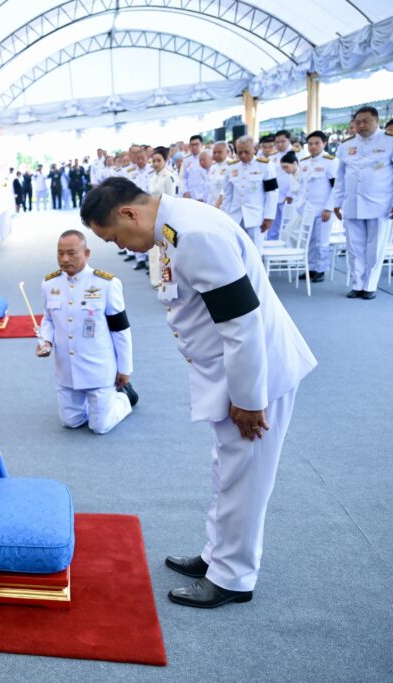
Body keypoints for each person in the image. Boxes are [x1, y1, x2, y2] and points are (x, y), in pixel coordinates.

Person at [80, 177, 317, 608]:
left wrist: (248, 400)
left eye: (115, 236)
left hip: (257, 377)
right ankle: (217, 555)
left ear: (129, 213)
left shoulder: (193, 234)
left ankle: (233, 577)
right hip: (234, 373)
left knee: (246, 477)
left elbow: (242, 324)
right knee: (227, 469)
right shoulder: (174, 227)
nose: (123, 246)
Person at [36, 230, 137, 434]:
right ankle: (91, 403)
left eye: (71, 253)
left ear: (86, 253)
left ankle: (124, 397)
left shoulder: (106, 284)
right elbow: (48, 319)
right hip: (67, 370)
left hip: (98, 369)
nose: (64, 259)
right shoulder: (49, 284)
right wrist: (45, 340)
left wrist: (125, 369)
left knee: (100, 426)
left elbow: (120, 329)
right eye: (60, 253)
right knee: (71, 422)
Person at [334, 106, 393, 299]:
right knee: (354, 247)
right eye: (357, 122)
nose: (361, 125)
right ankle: (357, 284)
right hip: (352, 204)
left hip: (381, 205)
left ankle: (370, 286)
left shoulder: (389, 141)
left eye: (365, 121)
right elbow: (340, 177)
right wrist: (336, 201)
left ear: (377, 121)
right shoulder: (345, 146)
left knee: (375, 249)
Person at [222, 135, 277, 253]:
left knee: (255, 250)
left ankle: (255, 272)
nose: (243, 155)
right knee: (235, 249)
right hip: (235, 215)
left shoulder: (265, 165)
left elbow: (272, 193)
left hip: (256, 216)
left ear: (254, 149)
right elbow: (228, 195)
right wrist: (225, 216)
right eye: (239, 152)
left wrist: (269, 217)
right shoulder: (232, 166)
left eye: (247, 152)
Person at [296, 131, 338, 283]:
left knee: (322, 241)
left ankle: (321, 269)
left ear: (324, 143)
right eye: (310, 144)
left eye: (317, 143)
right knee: (309, 240)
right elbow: (302, 186)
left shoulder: (331, 161)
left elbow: (336, 187)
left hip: (323, 209)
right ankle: (311, 268)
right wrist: (299, 205)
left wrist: (329, 208)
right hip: (308, 208)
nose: (313, 147)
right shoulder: (304, 162)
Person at [148, 146, 179, 286]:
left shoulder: (169, 176)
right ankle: (156, 280)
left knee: (167, 250)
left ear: (165, 161)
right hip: (152, 216)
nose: (155, 163)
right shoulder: (152, 177)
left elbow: (171, 199)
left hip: (166, 216)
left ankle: (169, 278)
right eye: (153, 160)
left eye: (158, 160)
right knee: (153, 250)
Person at [182, 136, 208, 201]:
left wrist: (203, 195)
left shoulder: (208, 157)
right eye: (192, 145)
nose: (194, 147)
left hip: (204, 195)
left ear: (201, 145)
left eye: (196, 144)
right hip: (190, 195)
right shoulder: (186, 160)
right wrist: (185, 191)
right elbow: (183, 177)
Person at [207, 142, 229, 207]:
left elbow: (225, 190)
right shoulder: (213, 167)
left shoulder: (231, 166)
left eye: (219, 152)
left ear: (227, 152)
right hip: (211, 205)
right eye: (214, 152)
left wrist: (217, 205)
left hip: (223, 206)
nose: (216, 154)